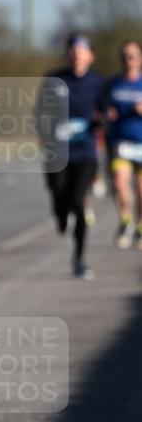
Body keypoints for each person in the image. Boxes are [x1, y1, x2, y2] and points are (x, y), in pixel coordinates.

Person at [39, 34, 105, 280]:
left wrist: (103, 121)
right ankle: (60, 216)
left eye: (82, 50)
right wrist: (46, 138)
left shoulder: (98, 82)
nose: (77, 55)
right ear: (68, 55)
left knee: (79, 202)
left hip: (85, 152)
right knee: (59, 196)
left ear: (91, 55)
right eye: (73, 50)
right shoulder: (54, 79)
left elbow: (106, 109)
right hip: (57, 153)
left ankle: (79, 259)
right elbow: (40, 112)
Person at [103, 41, 142, 249]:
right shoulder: (113, 84)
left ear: (140, 59)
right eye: (125, 56)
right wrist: (107, 114)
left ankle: (141, 227)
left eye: (133, 55)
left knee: (141, 190)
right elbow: (102, 106)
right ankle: (125, 220)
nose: (129, 60)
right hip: (121, 142)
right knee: (119, 182)